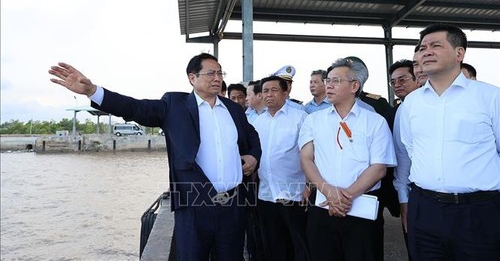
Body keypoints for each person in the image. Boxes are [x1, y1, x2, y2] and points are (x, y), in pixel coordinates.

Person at [48, 53, 262, 261]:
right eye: (210, 73)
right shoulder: (174, 105)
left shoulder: (234, 110)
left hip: (233, 205)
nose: (217, 78)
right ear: (192, 77)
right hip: (194, 205)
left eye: (220, 73)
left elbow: (252, 137)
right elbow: (134, 107)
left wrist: (253, 156)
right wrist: (93, 91)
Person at [398, 23, 500, 260]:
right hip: (425, 207)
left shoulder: (490, 97)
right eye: (422, 48)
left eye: (435, 45)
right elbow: (410, 149)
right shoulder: (412, 103)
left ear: (459, 53)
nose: (426, 52)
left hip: (478, 212)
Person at [299, 58, 396, 261]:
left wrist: (343, 198)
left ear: (354, 85)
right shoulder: (313, 120)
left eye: (336, 80)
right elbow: (307, 159)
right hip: (323, 208)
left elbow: (379, 168)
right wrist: (329, 192)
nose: (329, 85)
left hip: (362, 211)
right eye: (328, 80)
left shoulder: (375, 121)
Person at [253, 75, 310, 261]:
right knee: (273, 246)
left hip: (294, 193)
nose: (269, 95)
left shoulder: (300, 118)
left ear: (285, 92)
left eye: (274, 90)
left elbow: (311, 156)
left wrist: (309, 186)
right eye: (265, 91)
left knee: (299, 245)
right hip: (266, 194)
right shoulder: (257, 123)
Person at [389, 58, 419, 260]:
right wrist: (403, 199)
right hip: (416, 193)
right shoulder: (403, 109)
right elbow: (402, 156)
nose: (397, 85)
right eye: (393, 82)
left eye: (402, 79)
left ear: (418, 78)